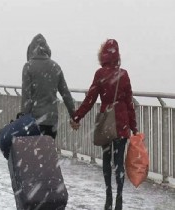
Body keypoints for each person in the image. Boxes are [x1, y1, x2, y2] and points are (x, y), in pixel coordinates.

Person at [71, 39, 138, 210]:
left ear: (103, 55)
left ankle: (108, 196)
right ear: (117, 56)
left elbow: (90, 99)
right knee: (119, 163)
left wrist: (77, 117)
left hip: (107, 124)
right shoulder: (124, 74)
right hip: (121, 125)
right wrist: (134, 127)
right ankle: (119, 199)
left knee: (107, 161)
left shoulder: (100, 74)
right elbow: (130, 103)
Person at [21, 33, 75, 139]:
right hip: (51, 120)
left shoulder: (28, 67)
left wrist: (24, 118)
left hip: (33, 120)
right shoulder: (55, 67)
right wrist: (74, 115)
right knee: (47, 151)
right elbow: (65, 94)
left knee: (33, 152)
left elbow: (26, 97)